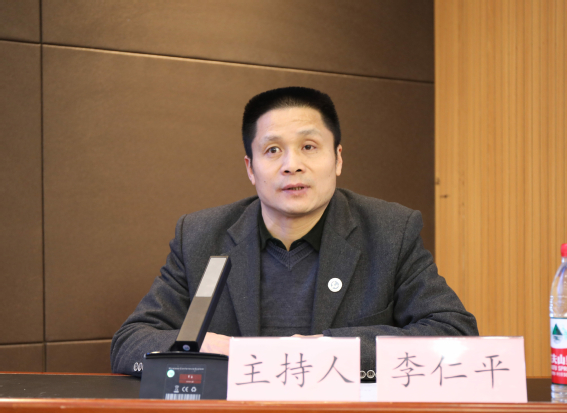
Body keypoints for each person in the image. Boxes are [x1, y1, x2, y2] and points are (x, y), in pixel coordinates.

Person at [110, 86, 478, 377]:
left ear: (337, 159)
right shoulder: (202, 236)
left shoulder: (389, 231)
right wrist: (213, 349)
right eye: (272, 150)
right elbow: (131, 343)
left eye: (308, 147)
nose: (292, 165)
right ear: (250, 168)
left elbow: (454, 333)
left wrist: (326, 350)